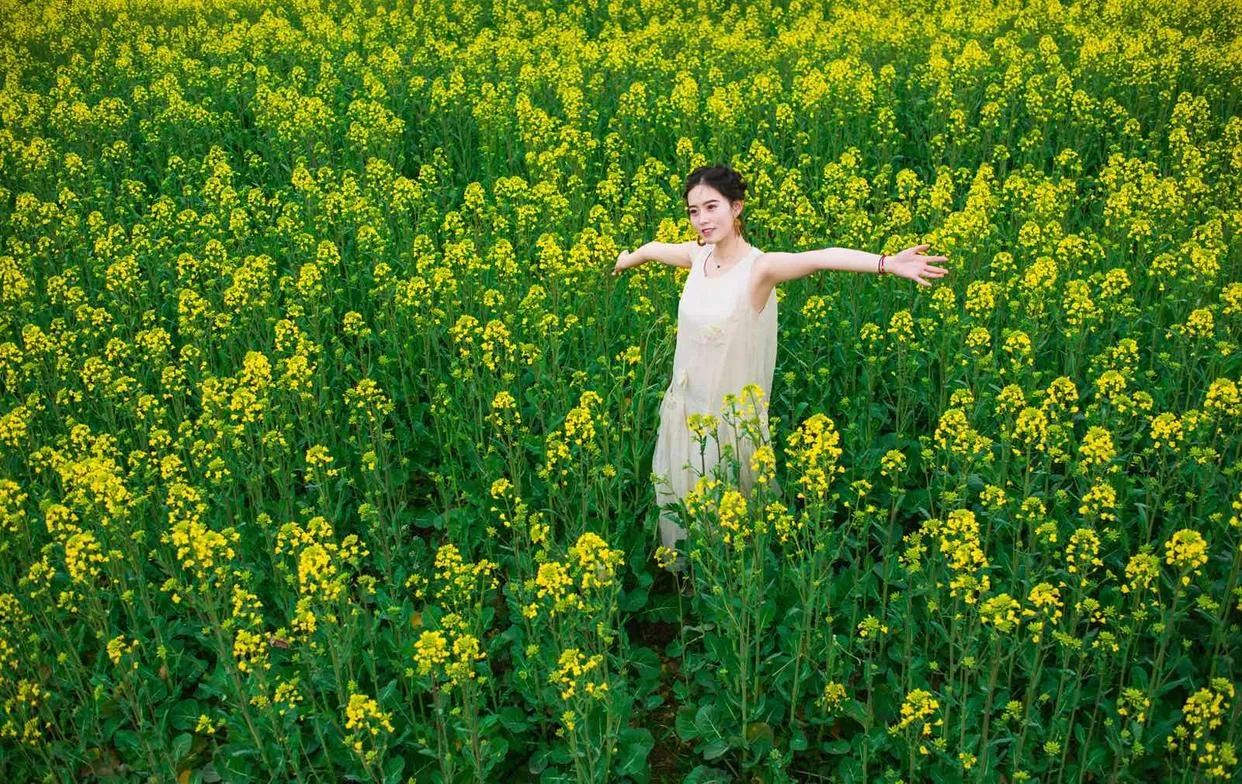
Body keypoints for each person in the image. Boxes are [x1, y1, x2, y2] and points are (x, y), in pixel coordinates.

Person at [612, 163, 948, 573]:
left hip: (729, 420)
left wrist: (886, 263)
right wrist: (627, 259)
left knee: (735, 517)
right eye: (693, 211)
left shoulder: (759, 270)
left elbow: (821, 258)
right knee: (685, 500)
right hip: (686, 409)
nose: (701, 220)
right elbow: (651, 248)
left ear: (737, 207)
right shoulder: (696, 256)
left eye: (711, 207)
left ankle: (736, 584)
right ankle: (691, 582)